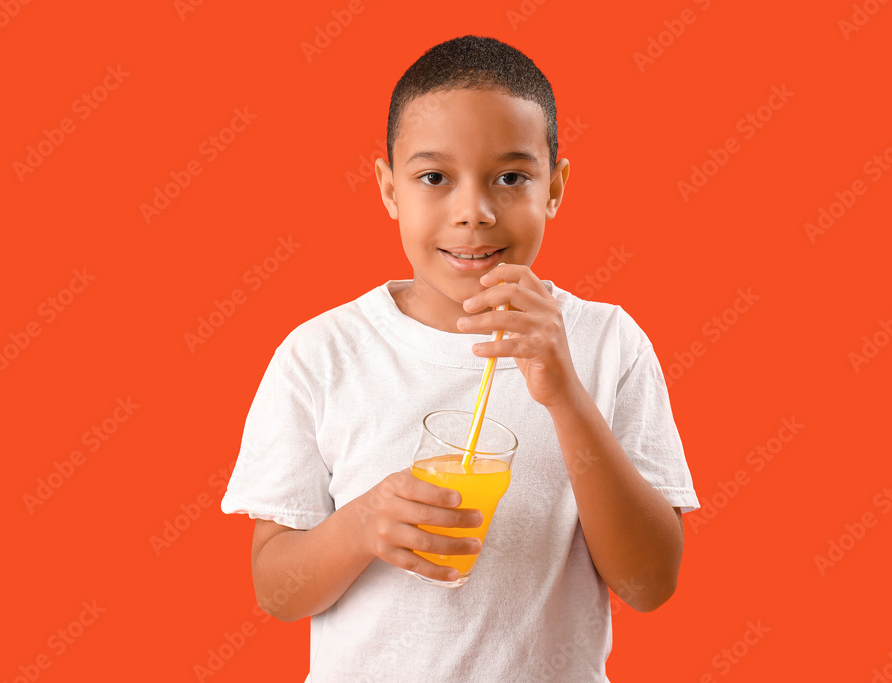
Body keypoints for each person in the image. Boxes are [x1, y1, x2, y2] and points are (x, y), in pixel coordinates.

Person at [221, 34, 699, 682]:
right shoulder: (322, 354)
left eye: (511, 177)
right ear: (389, 189)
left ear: (554, 187)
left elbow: (649, 582)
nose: (472, 211)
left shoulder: (608, 344)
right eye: (434, 178)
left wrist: (564, 393)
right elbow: (276, 591)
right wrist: (363, 524)